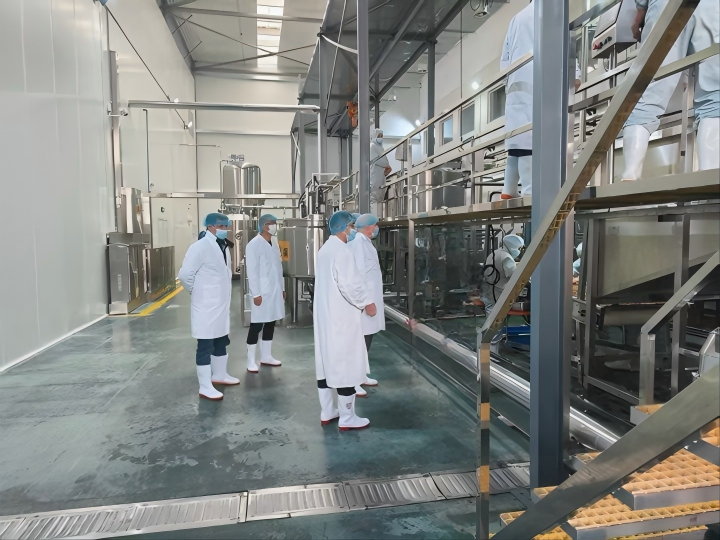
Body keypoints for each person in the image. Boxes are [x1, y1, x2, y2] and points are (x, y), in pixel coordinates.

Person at [622, 0, 719, 180]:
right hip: (712, 7)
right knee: (713, 97)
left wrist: (640, 12)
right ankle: (710, 175)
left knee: (648, 90)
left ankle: (630, 174)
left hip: (666, 5)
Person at [500, 1, 582, 199]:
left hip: (516, 86)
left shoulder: (516, 19)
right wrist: (575, 74)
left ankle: (508, 189)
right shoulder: (551, 14)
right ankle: (530, 191)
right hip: (537, 83)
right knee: (531, 139)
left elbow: (504, 61)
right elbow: (562, 46)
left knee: (518, 139)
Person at [314, 211, 377, 430]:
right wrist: (367, 302)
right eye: (351, 226)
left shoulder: (325, 249)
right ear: (343, 228)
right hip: (341, 318)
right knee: (346, 366)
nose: (353, 230)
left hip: (326, 318)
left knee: (326, 364)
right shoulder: (342, 251)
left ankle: (328, 411)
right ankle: (348, 417)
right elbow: (350, 284)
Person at [178, 213, 237, 401]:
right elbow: (185, 275)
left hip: (220, 304)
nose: (224, 229)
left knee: (221, 340)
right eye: (221, 226)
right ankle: (205, 386)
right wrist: (196, 291)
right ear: (210, 226)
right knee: (205, 345)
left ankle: (220, 375)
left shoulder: (223, 246)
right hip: (206, 305)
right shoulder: (200, 247)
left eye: (226, 226)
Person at [348, 213, 385, 394]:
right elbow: (358, 276)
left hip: (370, 298)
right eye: (375, 225)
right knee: (359, 341)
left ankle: (361, 375)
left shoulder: (366, 243)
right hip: (364, 301)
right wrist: (367, 302)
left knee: (367, 338)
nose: (376, 228)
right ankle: (352, 380)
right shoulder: (358, 244)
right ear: (369, 226)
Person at [245, 214, 285, 372]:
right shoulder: (253, 244)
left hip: (274, 289)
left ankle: (266, 356)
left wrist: (282, 288)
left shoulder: (274, 242)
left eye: (275, 222)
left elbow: (279, 267)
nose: (274, 225)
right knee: (256, 324)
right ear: (263, 226)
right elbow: (252, 271)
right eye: (270, 223)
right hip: (262, 291)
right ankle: (250, 360)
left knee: (271, 322)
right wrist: (256, 294)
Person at [481, 234, 525, 312]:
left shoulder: (495, 253)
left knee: (490, 311)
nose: (519, 251)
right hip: (499, 292)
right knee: (496, 313)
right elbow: (514, 275)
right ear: (512, 246)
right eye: (518, 248)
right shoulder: (506, 257)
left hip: (488, 289)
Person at [370, 129, 391, 214]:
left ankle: (379, 217)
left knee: (380, 199)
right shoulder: (372, 146)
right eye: (379, 136)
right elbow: (377, 160)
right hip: (375, 177)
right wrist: (386, 165)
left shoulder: (381, 148)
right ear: (374, 136)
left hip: (381, 178)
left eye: (381, 136)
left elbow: (385, 162)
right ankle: (374, 218)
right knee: (374, 199)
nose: (380, 138)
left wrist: (387, 167)